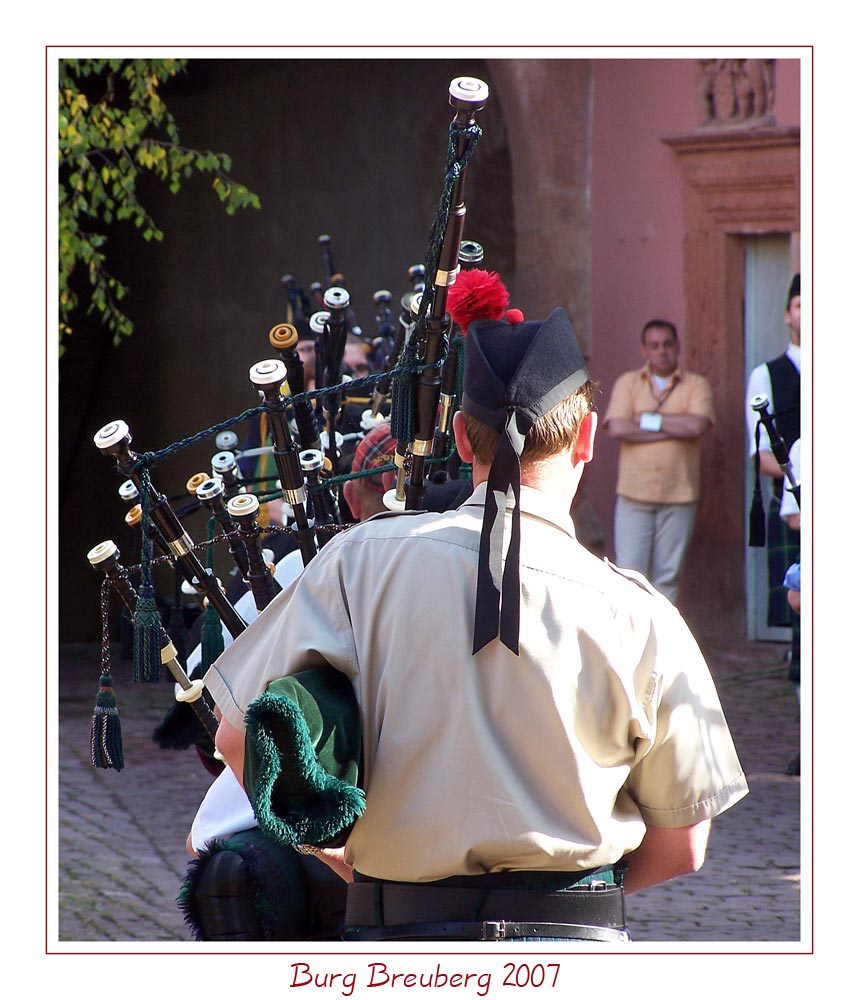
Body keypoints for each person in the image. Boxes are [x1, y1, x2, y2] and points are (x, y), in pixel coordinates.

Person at [205, 307, 748, 942]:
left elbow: (238, 739)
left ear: (462, 438)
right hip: (574, 954)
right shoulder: (644, 615)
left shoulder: (358, 563)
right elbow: (684, 844)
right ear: (588, 439)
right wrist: (574, 900)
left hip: (397, 945)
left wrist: (346, 864)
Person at [603, 319, 715, 605]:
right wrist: (673, 429)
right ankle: (628, 646)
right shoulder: (628, 383)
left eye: (667, 344)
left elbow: (697, 426)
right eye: (654, 346)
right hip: (634, 494)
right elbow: (617, 428)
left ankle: (662, 647)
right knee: (628, 575)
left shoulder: (696, 385)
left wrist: (646, 421)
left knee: (668, 578)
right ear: (644, 350)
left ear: (677, 347)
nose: (662, 351)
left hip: (679, 494)